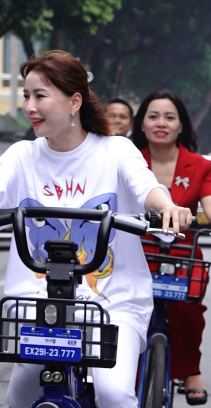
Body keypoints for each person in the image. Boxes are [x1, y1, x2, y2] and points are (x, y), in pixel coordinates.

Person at [0, 50, 193, 408]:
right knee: (19, 396)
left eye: (40, 96)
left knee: (114, 393)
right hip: (36, 303)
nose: (29, 106)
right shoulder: (22, 154)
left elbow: (146, 188)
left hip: (113, 304)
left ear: (75, 101)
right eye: (26, 95)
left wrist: (167, 208)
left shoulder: (116, 150)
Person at [131, 89, 210, 406]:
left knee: (188, 309)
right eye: (153, 116)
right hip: (134, 254)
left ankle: (191, 370)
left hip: (184, 257)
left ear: (181, 126)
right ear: (142, 124)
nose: (161, 123)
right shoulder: (129, 159)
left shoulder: (200, 166)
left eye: (169, 117)